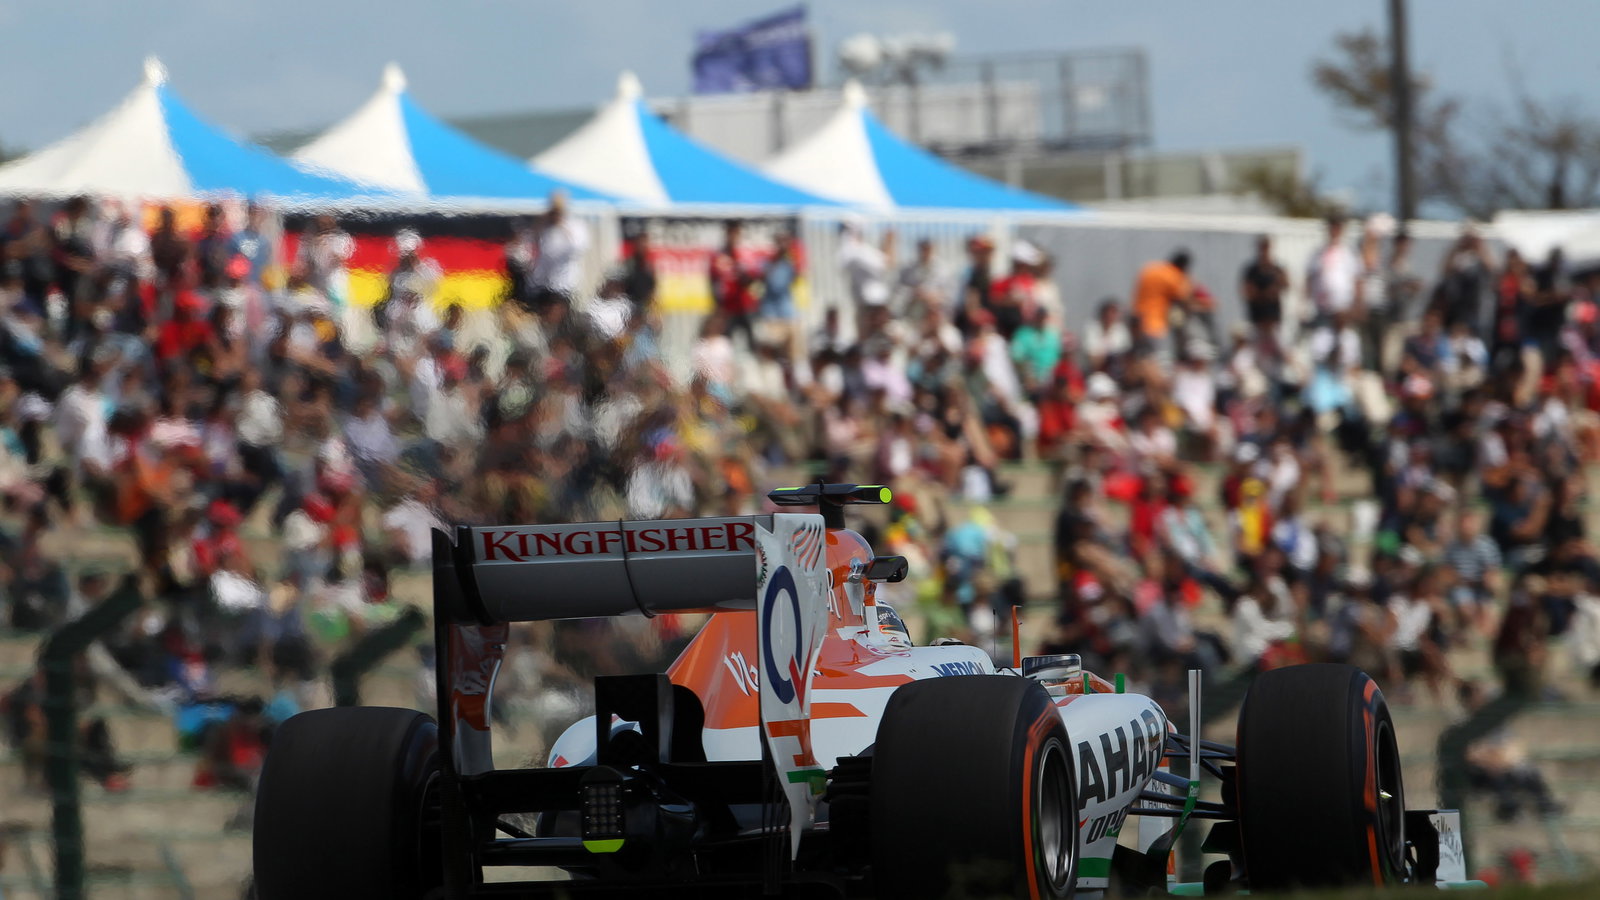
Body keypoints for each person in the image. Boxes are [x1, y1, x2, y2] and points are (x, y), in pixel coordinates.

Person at [527, 190, 590, 313]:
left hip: (565, 283)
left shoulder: (576, 225)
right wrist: (540, 222)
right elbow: (531, 241)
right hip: (543, 281)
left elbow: (578, 247)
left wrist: (562, 226)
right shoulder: (545, 226)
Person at [1132, 249, 1193, 359]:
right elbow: (1185, 300)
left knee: (1141, 358)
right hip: (1155, 325)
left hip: (1136, 322)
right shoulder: (1174, 275)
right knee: (1159, 359)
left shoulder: (1150, 268)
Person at [709, 220, 757, 348]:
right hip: (727, 309)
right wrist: (718, 305)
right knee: (725, 342)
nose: (733, 236)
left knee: (753, 342)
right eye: (730, 233)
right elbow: (712, 282)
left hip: (746, 306)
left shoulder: (746, 254)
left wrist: (743, 272)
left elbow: (753, 281)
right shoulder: (718, 256)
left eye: (736, 233)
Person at [1306, 216, 1358, 327]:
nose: (1334, 231)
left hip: (1343, 310)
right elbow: (1309, 279)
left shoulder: (1349, 254)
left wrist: (1357, 305)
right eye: (1332, 228)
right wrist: (1304, 304)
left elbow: (1357, 280)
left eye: (1337, 228)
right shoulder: (1318, 254)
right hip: (1322, 308)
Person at [1240, 234, 1286, 341]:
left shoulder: (1276, 269)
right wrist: (1264, 294)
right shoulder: (1252, 270)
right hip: (1257, 321)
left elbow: (1285, 284)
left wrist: (1276, 287)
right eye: (1262, 246)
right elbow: (1247, 291)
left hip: (1273, 321)